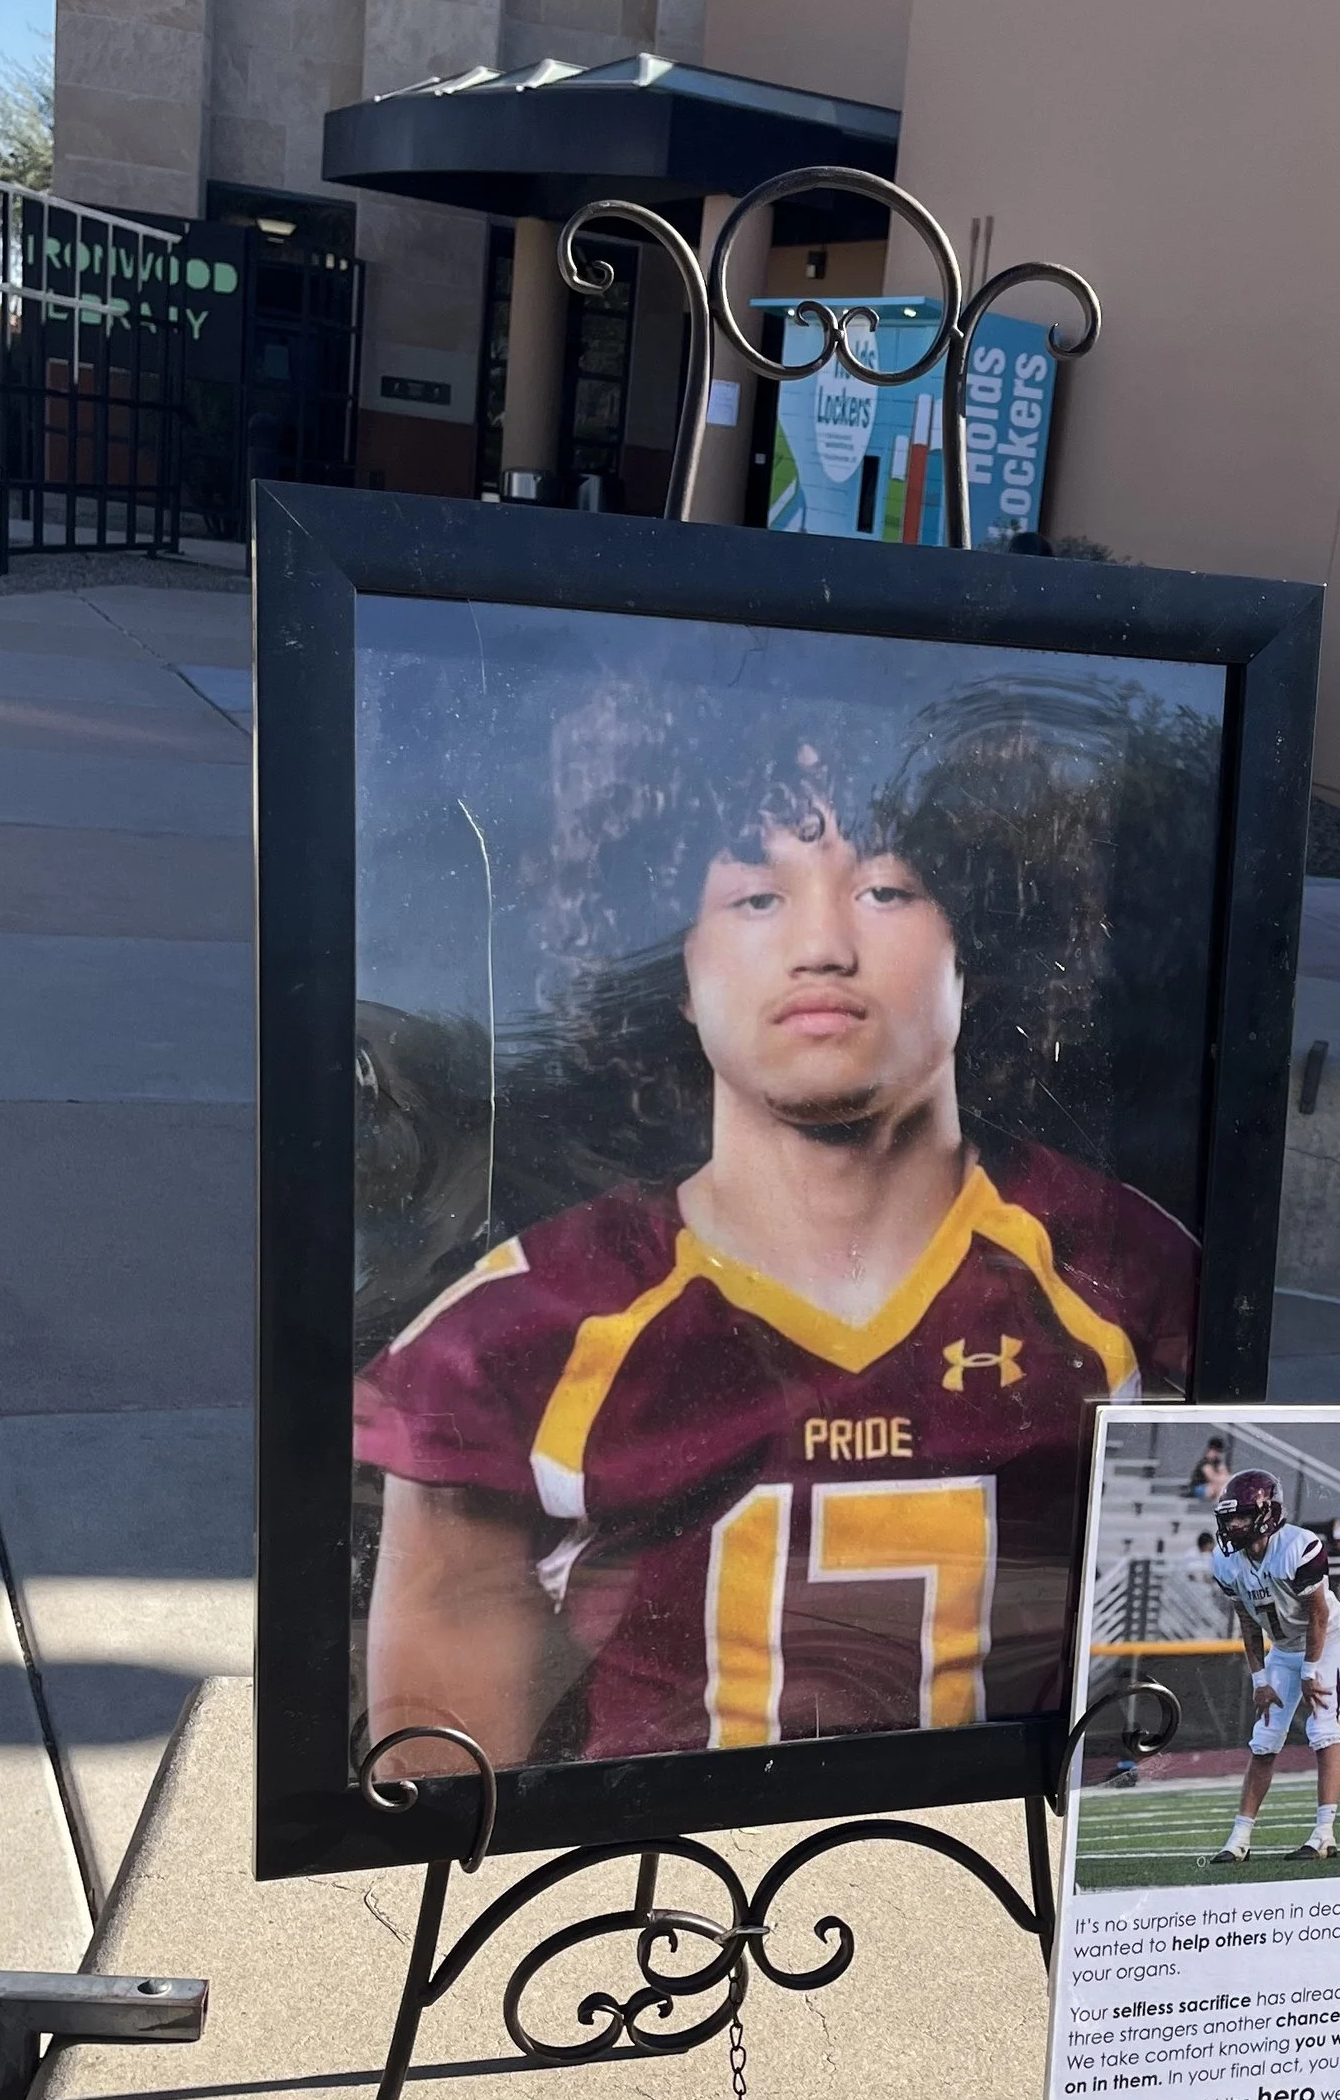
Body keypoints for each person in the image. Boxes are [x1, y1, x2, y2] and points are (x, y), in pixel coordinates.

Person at [357, 711, 1201, 1771]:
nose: (822, 947)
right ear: (678, 962)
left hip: (1006, 1884)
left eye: (884, 890)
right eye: (757, 896)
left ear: (975, 948)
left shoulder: (1122, 1274)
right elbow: (439, 1785)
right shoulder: (520, 1326)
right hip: (649, 1905)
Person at [1203, 1468, 1340, 1864]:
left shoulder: (1300, 1547)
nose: (1232, 1526)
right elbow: (1248, 1622)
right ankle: (1239, 1839)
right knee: (1264, 1740)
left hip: (1325, 1639)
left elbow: (1318, 1616)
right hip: (1282, 1647)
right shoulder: (1227, 1563)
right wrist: (1260, 1679)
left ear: (1265, 1514)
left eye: (1241, 1517)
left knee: (1322, 1729)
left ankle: (1323, 1834)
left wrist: (1308, 1672)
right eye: (1228, 1517)